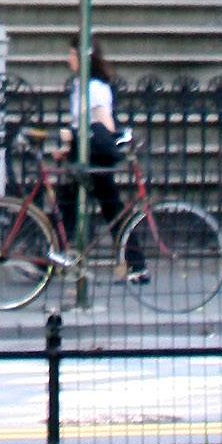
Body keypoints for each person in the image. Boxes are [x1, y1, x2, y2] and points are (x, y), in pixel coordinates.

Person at [54, 38, 142, 273]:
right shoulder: (82, 86)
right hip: (85, 154)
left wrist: (73, 138)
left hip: (92, 156)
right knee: (91, 205)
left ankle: (135, 263)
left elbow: (104, 124)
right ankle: (135, 264)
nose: (68, 60)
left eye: (72, 54)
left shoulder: (92, 88)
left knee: (81, 205)